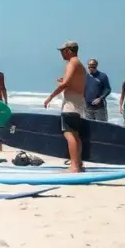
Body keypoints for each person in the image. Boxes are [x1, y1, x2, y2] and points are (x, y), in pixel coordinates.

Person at [43, 41, 86, 173]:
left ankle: (74, 166)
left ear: (69, 50)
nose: (61, 53)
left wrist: (50, 97)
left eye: (62, 50)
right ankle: (78, 164)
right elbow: (73, 83)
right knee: (76, 134)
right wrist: (64, 82)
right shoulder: (80, 65)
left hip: (71, 103)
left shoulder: (72, 63)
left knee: (69, 134)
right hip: (78, 102)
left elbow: (65, 85)